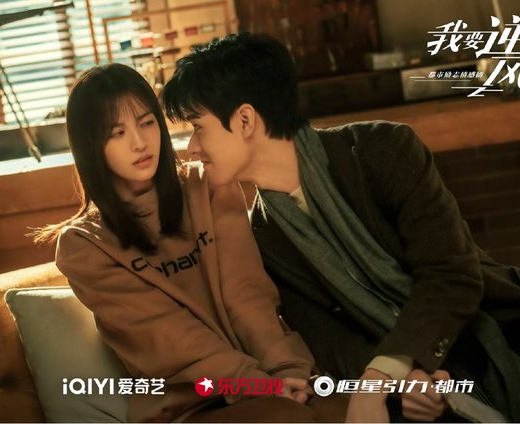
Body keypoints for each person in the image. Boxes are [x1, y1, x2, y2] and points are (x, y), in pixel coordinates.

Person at [161, 32, 520, 423]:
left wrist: (386, 373)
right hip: (402, 376)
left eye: (197, 128)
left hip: (493, 321)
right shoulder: (264, 237)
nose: (191, 148)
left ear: (245, 120)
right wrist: (400, 382)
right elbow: (330, 342)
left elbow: (451, 275)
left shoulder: (381, 148)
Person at [37, 63, 349, 423]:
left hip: (272, 379)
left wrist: (285, 368)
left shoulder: (209, 185)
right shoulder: (83, 245)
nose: (139, 142)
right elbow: (167, 337)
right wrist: (254, 383)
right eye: (117, 132)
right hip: (190, 405)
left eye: (147, 122)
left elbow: (246, 293)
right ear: (91, 146)